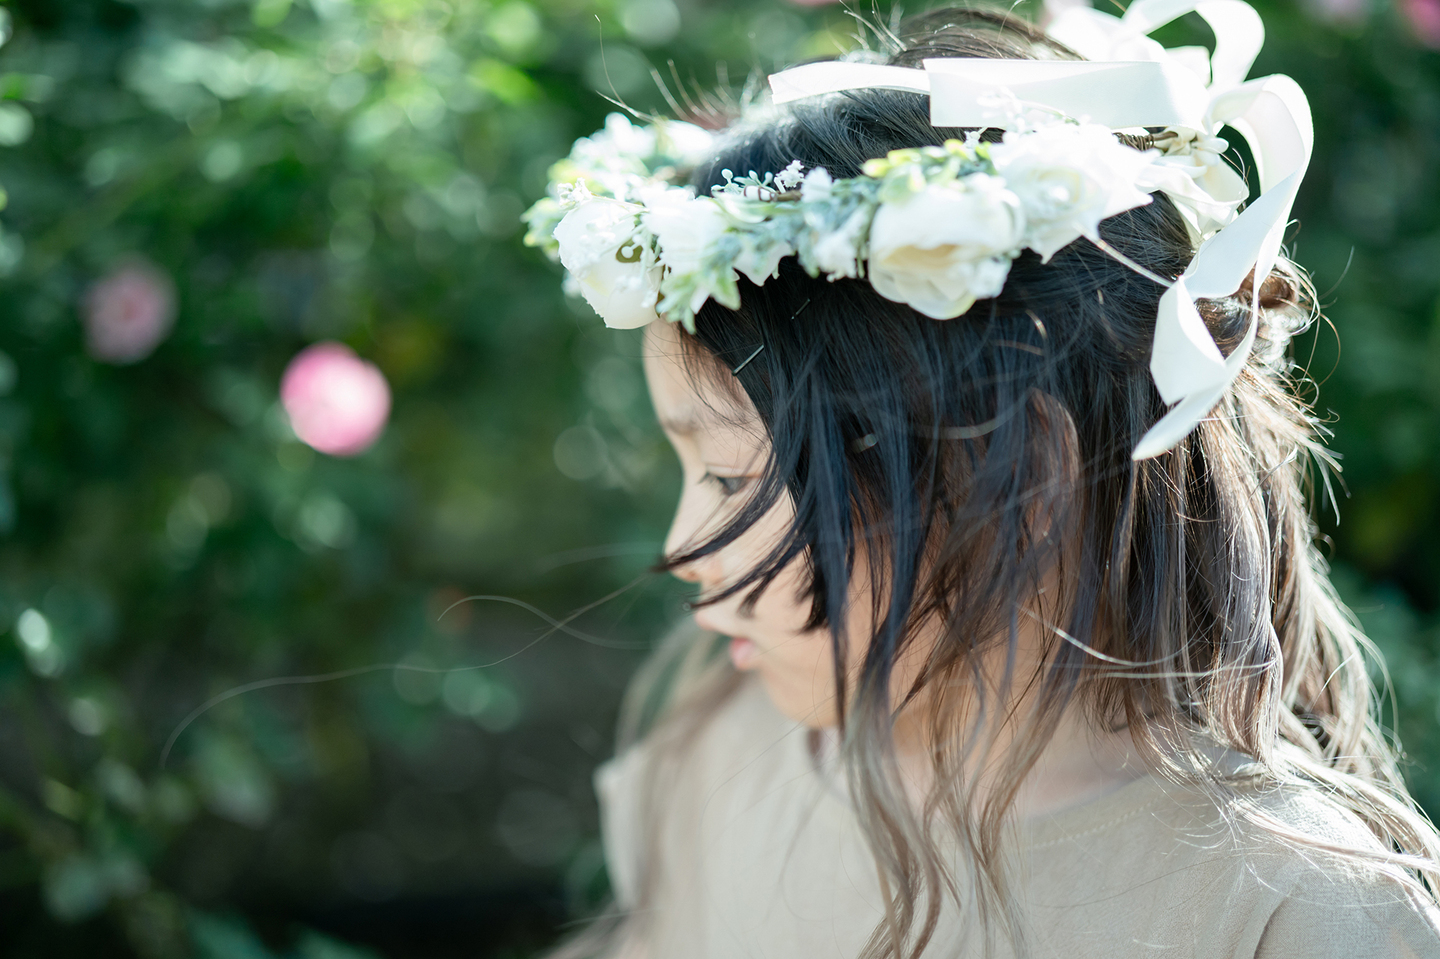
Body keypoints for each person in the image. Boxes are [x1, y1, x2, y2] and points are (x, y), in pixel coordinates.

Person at [522, 1, 1440, 955]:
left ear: (1020, 477)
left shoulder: (1291, 908)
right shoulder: (722, 742)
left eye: (722, 475)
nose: (681, 549)